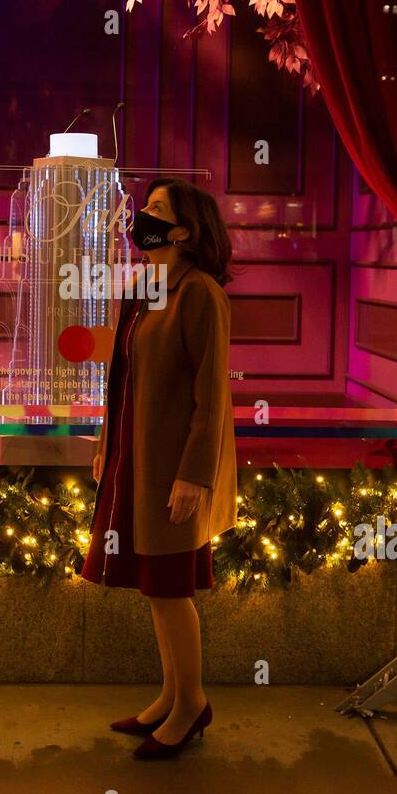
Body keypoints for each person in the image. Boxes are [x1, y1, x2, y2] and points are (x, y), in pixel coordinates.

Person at [79, 177, 238, 760]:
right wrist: (104, 443)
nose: (142, 216)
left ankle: (192, 703)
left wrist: (195, 474)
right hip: (135, 460)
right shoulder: (145, 288)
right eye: (145, 207)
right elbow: (119, 378)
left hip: (173, 468)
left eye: (156, 210)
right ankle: (171, 696)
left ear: (186, 231)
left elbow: (210, 394)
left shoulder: (200, 294)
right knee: (154, 588)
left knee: (171, 590)